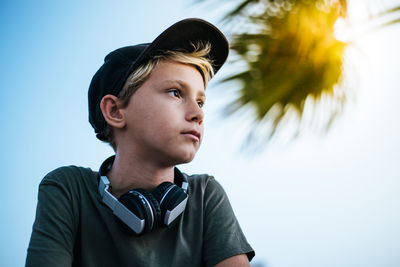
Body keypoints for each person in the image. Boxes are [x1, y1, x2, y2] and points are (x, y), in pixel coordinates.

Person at [26, 18, 255, 267]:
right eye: (175, 92)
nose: (198, 114)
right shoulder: (69, 190)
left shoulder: (206, 196)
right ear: (114, 111)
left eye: (200, 102)